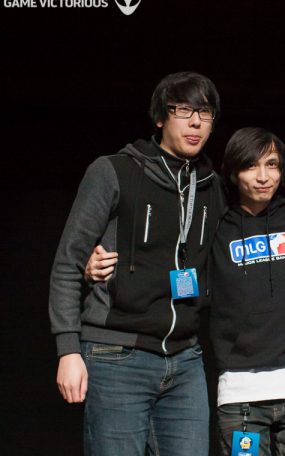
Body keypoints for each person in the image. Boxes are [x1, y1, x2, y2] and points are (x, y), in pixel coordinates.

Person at [49, 71, 226, 455]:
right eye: (184, 110)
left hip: (185, 359)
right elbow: (67, 263)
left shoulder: (212, 185)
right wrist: (68, 350)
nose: (196, 122)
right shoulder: (114, 171)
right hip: (116, 355)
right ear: (160, 117)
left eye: (205, 113)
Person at [210, 127, 285, 456]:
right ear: (233, 173)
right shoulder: (216, 228)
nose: (263, 177)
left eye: (272, 165)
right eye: (251, 166)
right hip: (240, 395)